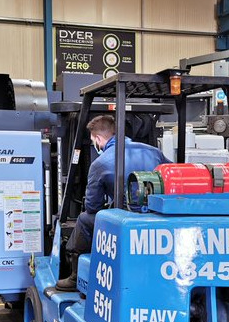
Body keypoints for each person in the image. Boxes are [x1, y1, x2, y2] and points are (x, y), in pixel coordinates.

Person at [56, 115, 170, 291]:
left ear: (99, 139)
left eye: (95, 140)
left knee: (84, 219)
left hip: (127, 219)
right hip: (159, 216)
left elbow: (92, 206)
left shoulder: (100, 163)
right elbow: (171, 178)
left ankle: (75, 276)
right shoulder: (153, 151)